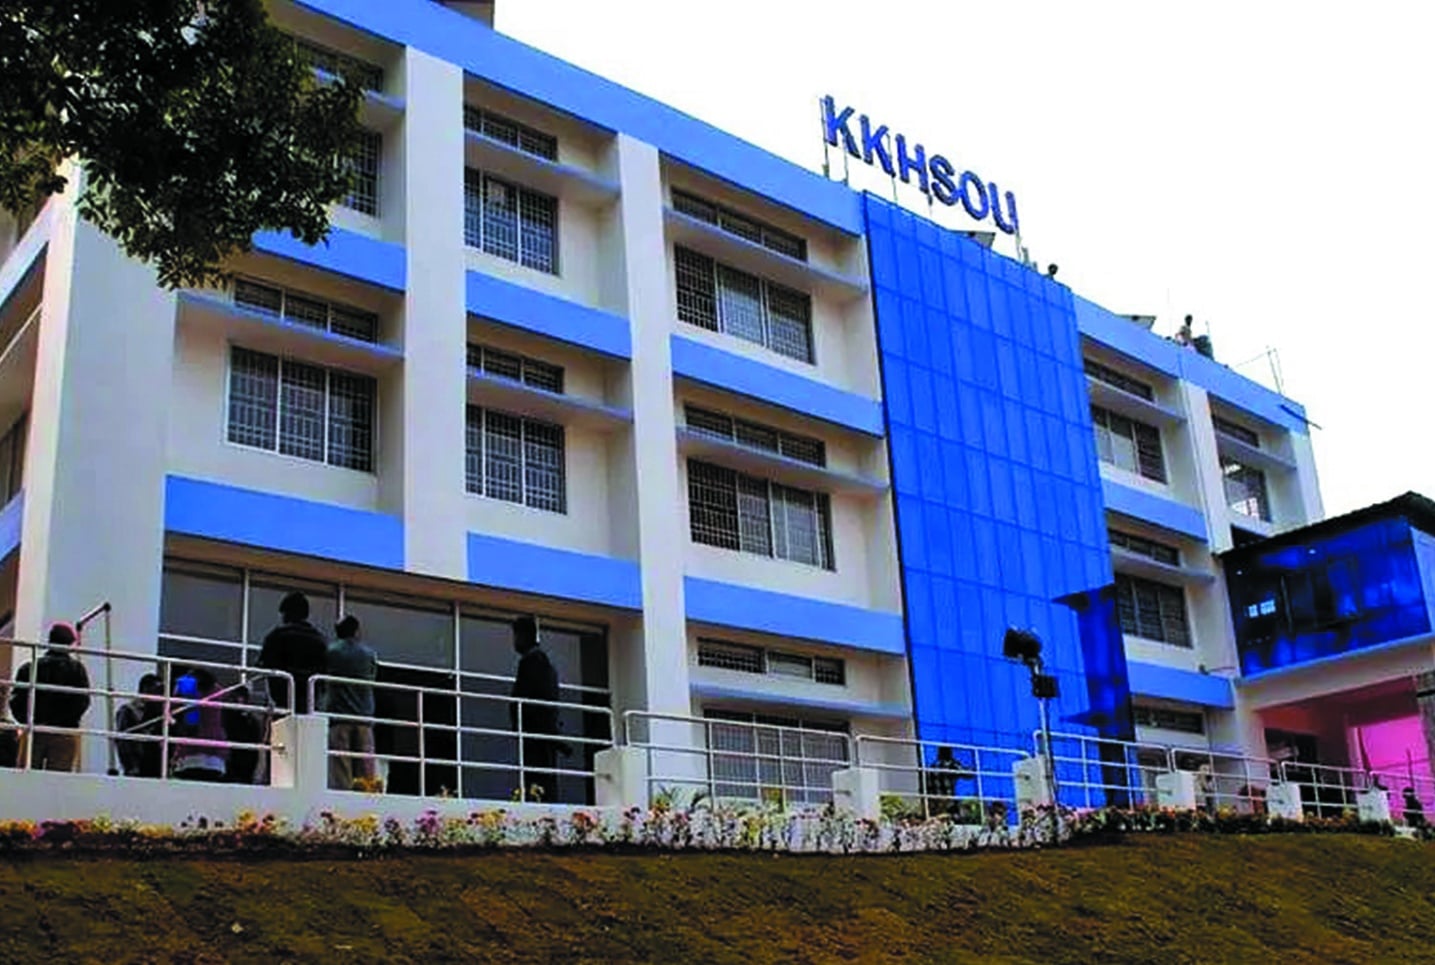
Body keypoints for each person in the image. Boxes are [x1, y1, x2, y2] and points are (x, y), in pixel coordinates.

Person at [9, 623, 90, 771]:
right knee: (57, 780)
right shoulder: (77, 670)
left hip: (34, 729)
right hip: (64, 733)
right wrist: (68, 721)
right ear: (70, 643)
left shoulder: (30, 668)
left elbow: (16, 701)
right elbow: (83, 701)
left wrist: (28, 720)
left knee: (26, 776)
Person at [510, 615, 562, 803]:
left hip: (537, 732)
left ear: (526, 635)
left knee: (538, 778)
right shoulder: (538, 660)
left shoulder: (534, 660)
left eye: (516, 636)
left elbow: (534, 696)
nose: (515, 641)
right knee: (540, 776)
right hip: (538, 731)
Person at [323, 615, 378, 790]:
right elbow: (373, 677)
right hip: (363, 715)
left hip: (339, 715)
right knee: (366, 764)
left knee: (341, 765)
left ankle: (342, 795)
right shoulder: (369, 654)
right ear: (356, 630)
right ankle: (367, 793)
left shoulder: (331, 652)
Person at [257, 592, 328, 715]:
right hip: (309, 700)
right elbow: (324, 670)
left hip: (282, 698)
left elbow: (264, 663)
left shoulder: (277, 636)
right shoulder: (319, 639)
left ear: (287, 613)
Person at [170, 666, 227, 782]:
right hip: (215, 754)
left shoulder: (187, 686)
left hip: (191, 752)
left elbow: (188, 717)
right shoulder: (217, 690)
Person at [114, 673, 165, 778]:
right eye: (157, 690)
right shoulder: (129, 710)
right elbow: (123, 740)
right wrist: (131, 767)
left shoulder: (161, 710)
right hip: (138, 764)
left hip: (156, 762)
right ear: (145, 689)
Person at [222, 684, 263, 785]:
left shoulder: (252, 720)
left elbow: (256, 742)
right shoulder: (227, 714)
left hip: (246, 760)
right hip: (233, 758)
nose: (239, 700)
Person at [922, 745, 970, 817]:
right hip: (948, 801)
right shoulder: (951, 765)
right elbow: (968, 775)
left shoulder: (933, 766)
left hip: (934, 801)